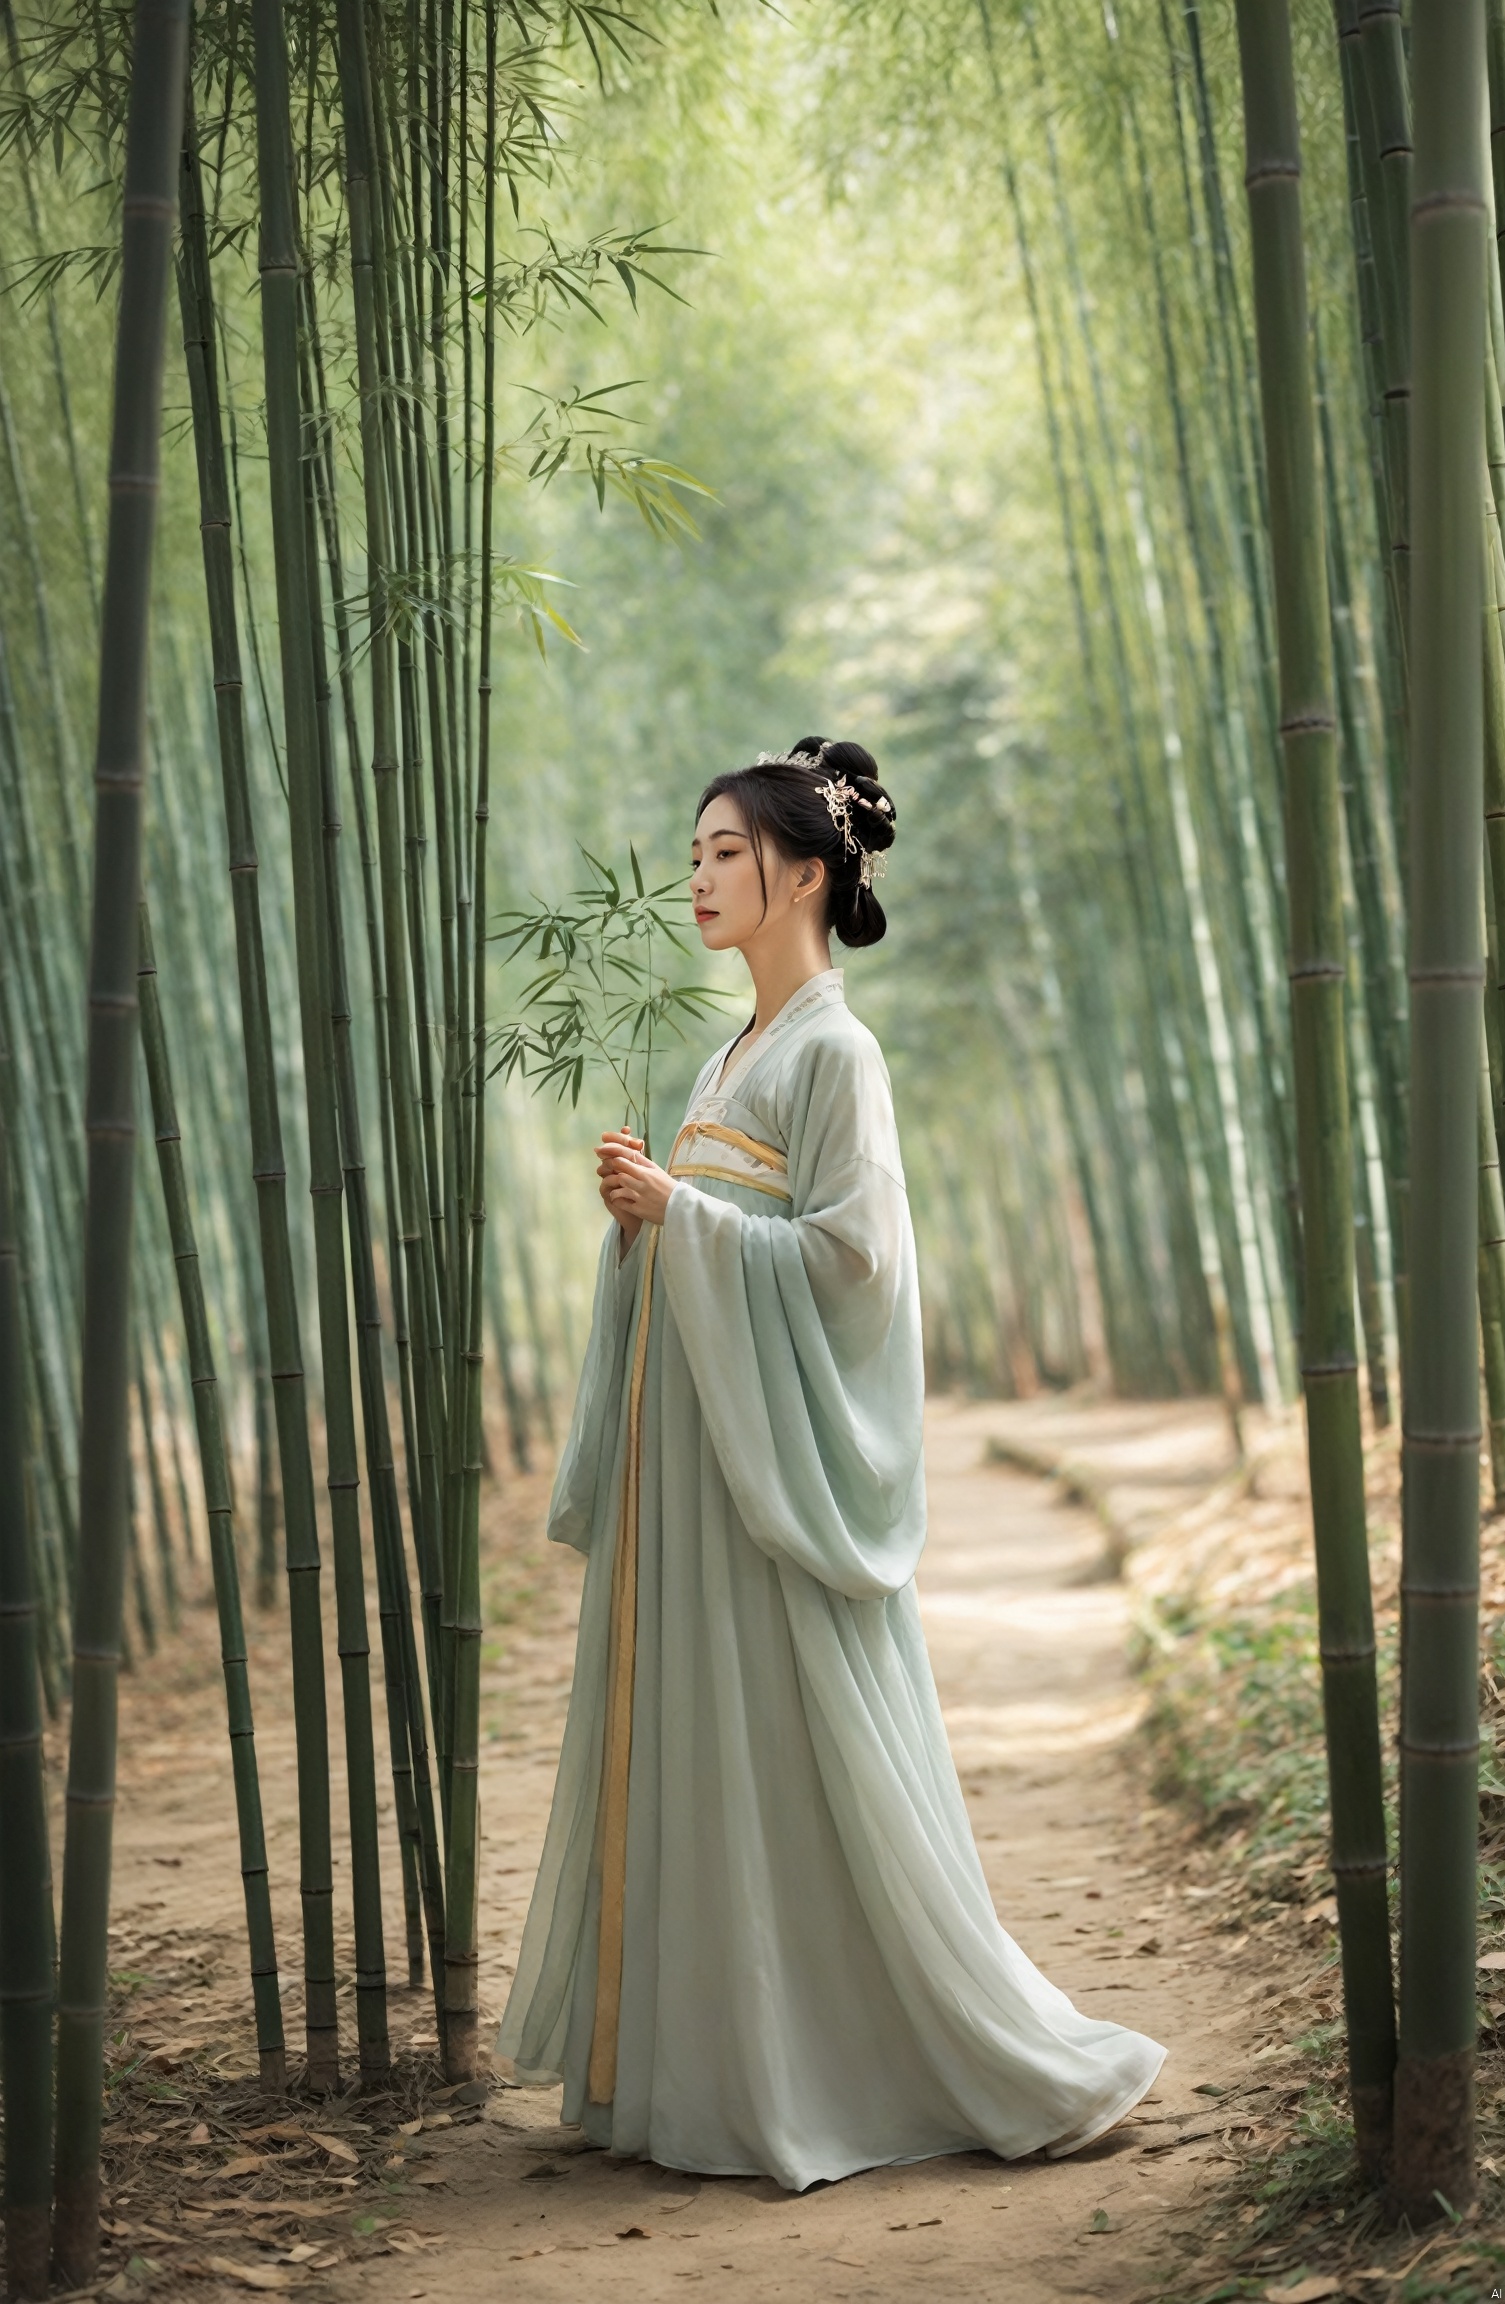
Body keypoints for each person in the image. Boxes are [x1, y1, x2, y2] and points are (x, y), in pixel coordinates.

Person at [492, 736, 1166, 2190]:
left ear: (805, 872)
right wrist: (644, 1227)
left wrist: (690, 1215)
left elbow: (861, 1264)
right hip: (699, 1473)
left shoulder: (835, 1053)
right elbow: (717, 1242)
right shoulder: (729, 1051)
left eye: (724, 849)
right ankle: (720, 2070)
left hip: (766, 1474)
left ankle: (888, 2061)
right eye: (692, 852)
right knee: (715, 1748)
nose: (698, 873)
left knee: (802, 1746)